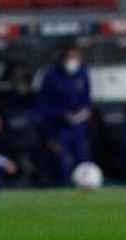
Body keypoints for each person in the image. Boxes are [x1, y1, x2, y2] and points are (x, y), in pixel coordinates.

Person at [35, 45, 94, 186]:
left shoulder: (83, 73)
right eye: (70, 57)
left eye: (76, 57)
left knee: (83, 158)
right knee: (62, 161)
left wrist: (85, 112)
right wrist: (60, 116)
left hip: (79, 126)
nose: (73, 61)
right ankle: (64, 188)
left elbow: (86, 98)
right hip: (58, 127)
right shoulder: (51, 75)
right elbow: (43, 106)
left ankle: (85, 185)